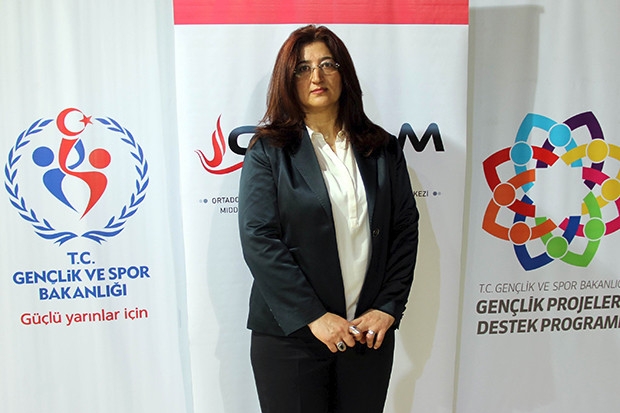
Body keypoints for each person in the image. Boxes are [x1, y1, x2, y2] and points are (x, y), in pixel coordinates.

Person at [238, 25, 419, 413]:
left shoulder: (383, 148)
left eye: (327, 64)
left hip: (366, 334)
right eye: (302, 68)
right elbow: (259, 238)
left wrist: (388, 306)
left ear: (344, 73)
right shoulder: (269, 150)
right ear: (287, 80)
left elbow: (404, 231)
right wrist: (314, 317)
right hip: (291, 339)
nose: (316, 76)